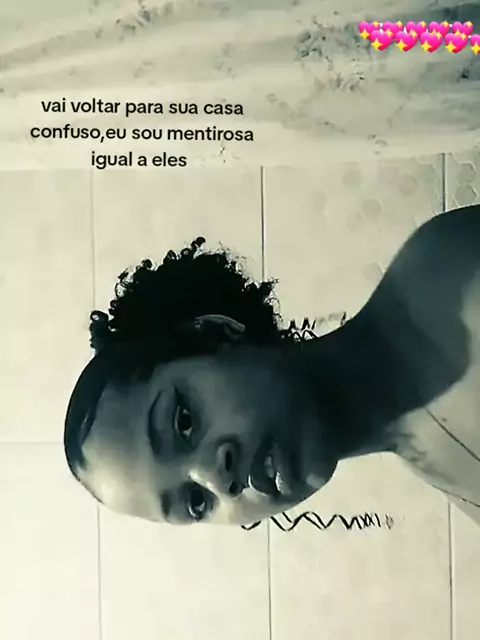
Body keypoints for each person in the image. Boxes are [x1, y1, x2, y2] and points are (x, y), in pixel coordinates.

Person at [64, 204, 480, 526]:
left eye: (184, 421)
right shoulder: (449, 476)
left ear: (216, 333)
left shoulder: (453, 281)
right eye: (195, 502)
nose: (218, 480)